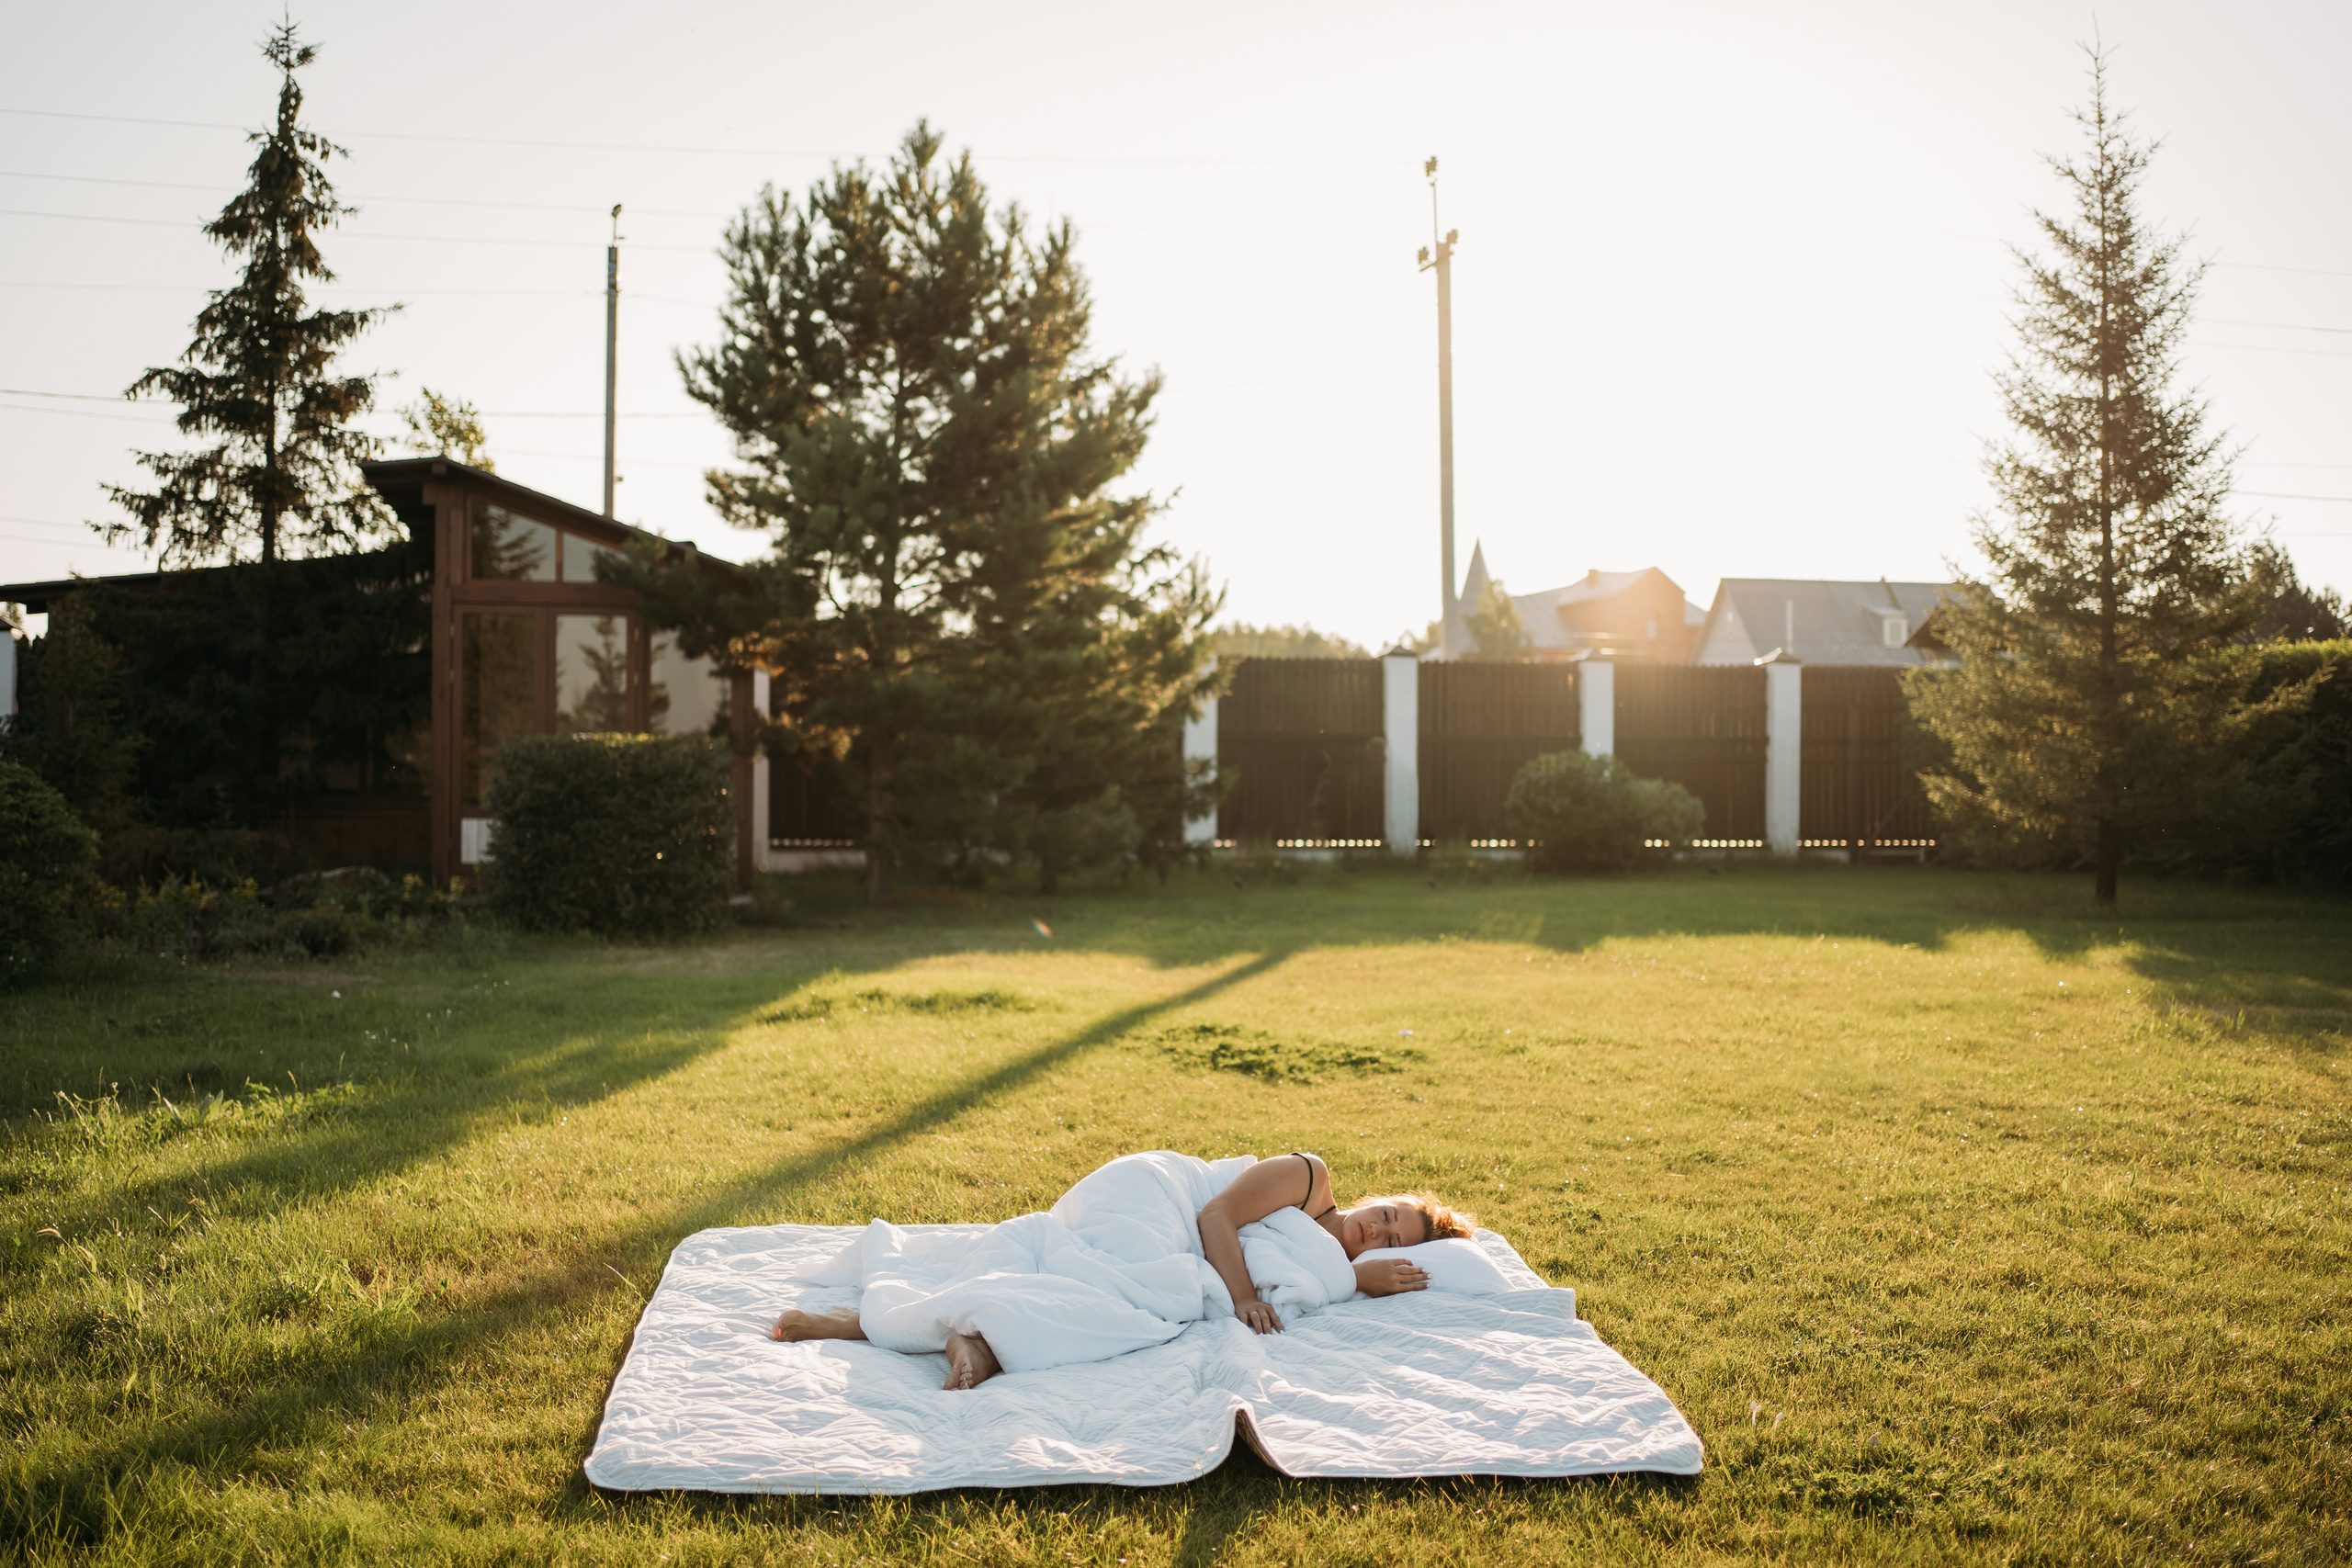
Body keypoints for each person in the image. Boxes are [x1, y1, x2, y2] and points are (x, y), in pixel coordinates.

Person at [770, 1151, 1477, 1390]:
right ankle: (921, 1322)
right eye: (1386, 1211)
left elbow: (1304, 1276)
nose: (1374, 1227)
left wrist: (1357, 1277)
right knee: (1155, 1301)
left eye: (1387, 1236)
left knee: (1140, 1309)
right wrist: (1236, 1298)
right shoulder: (1309, 1177)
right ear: (1375, 1193)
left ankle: (976, 1335)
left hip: (1174, 1233)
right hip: (1157, 1193)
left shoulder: (1335, 1264)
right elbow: (1216, 1220)